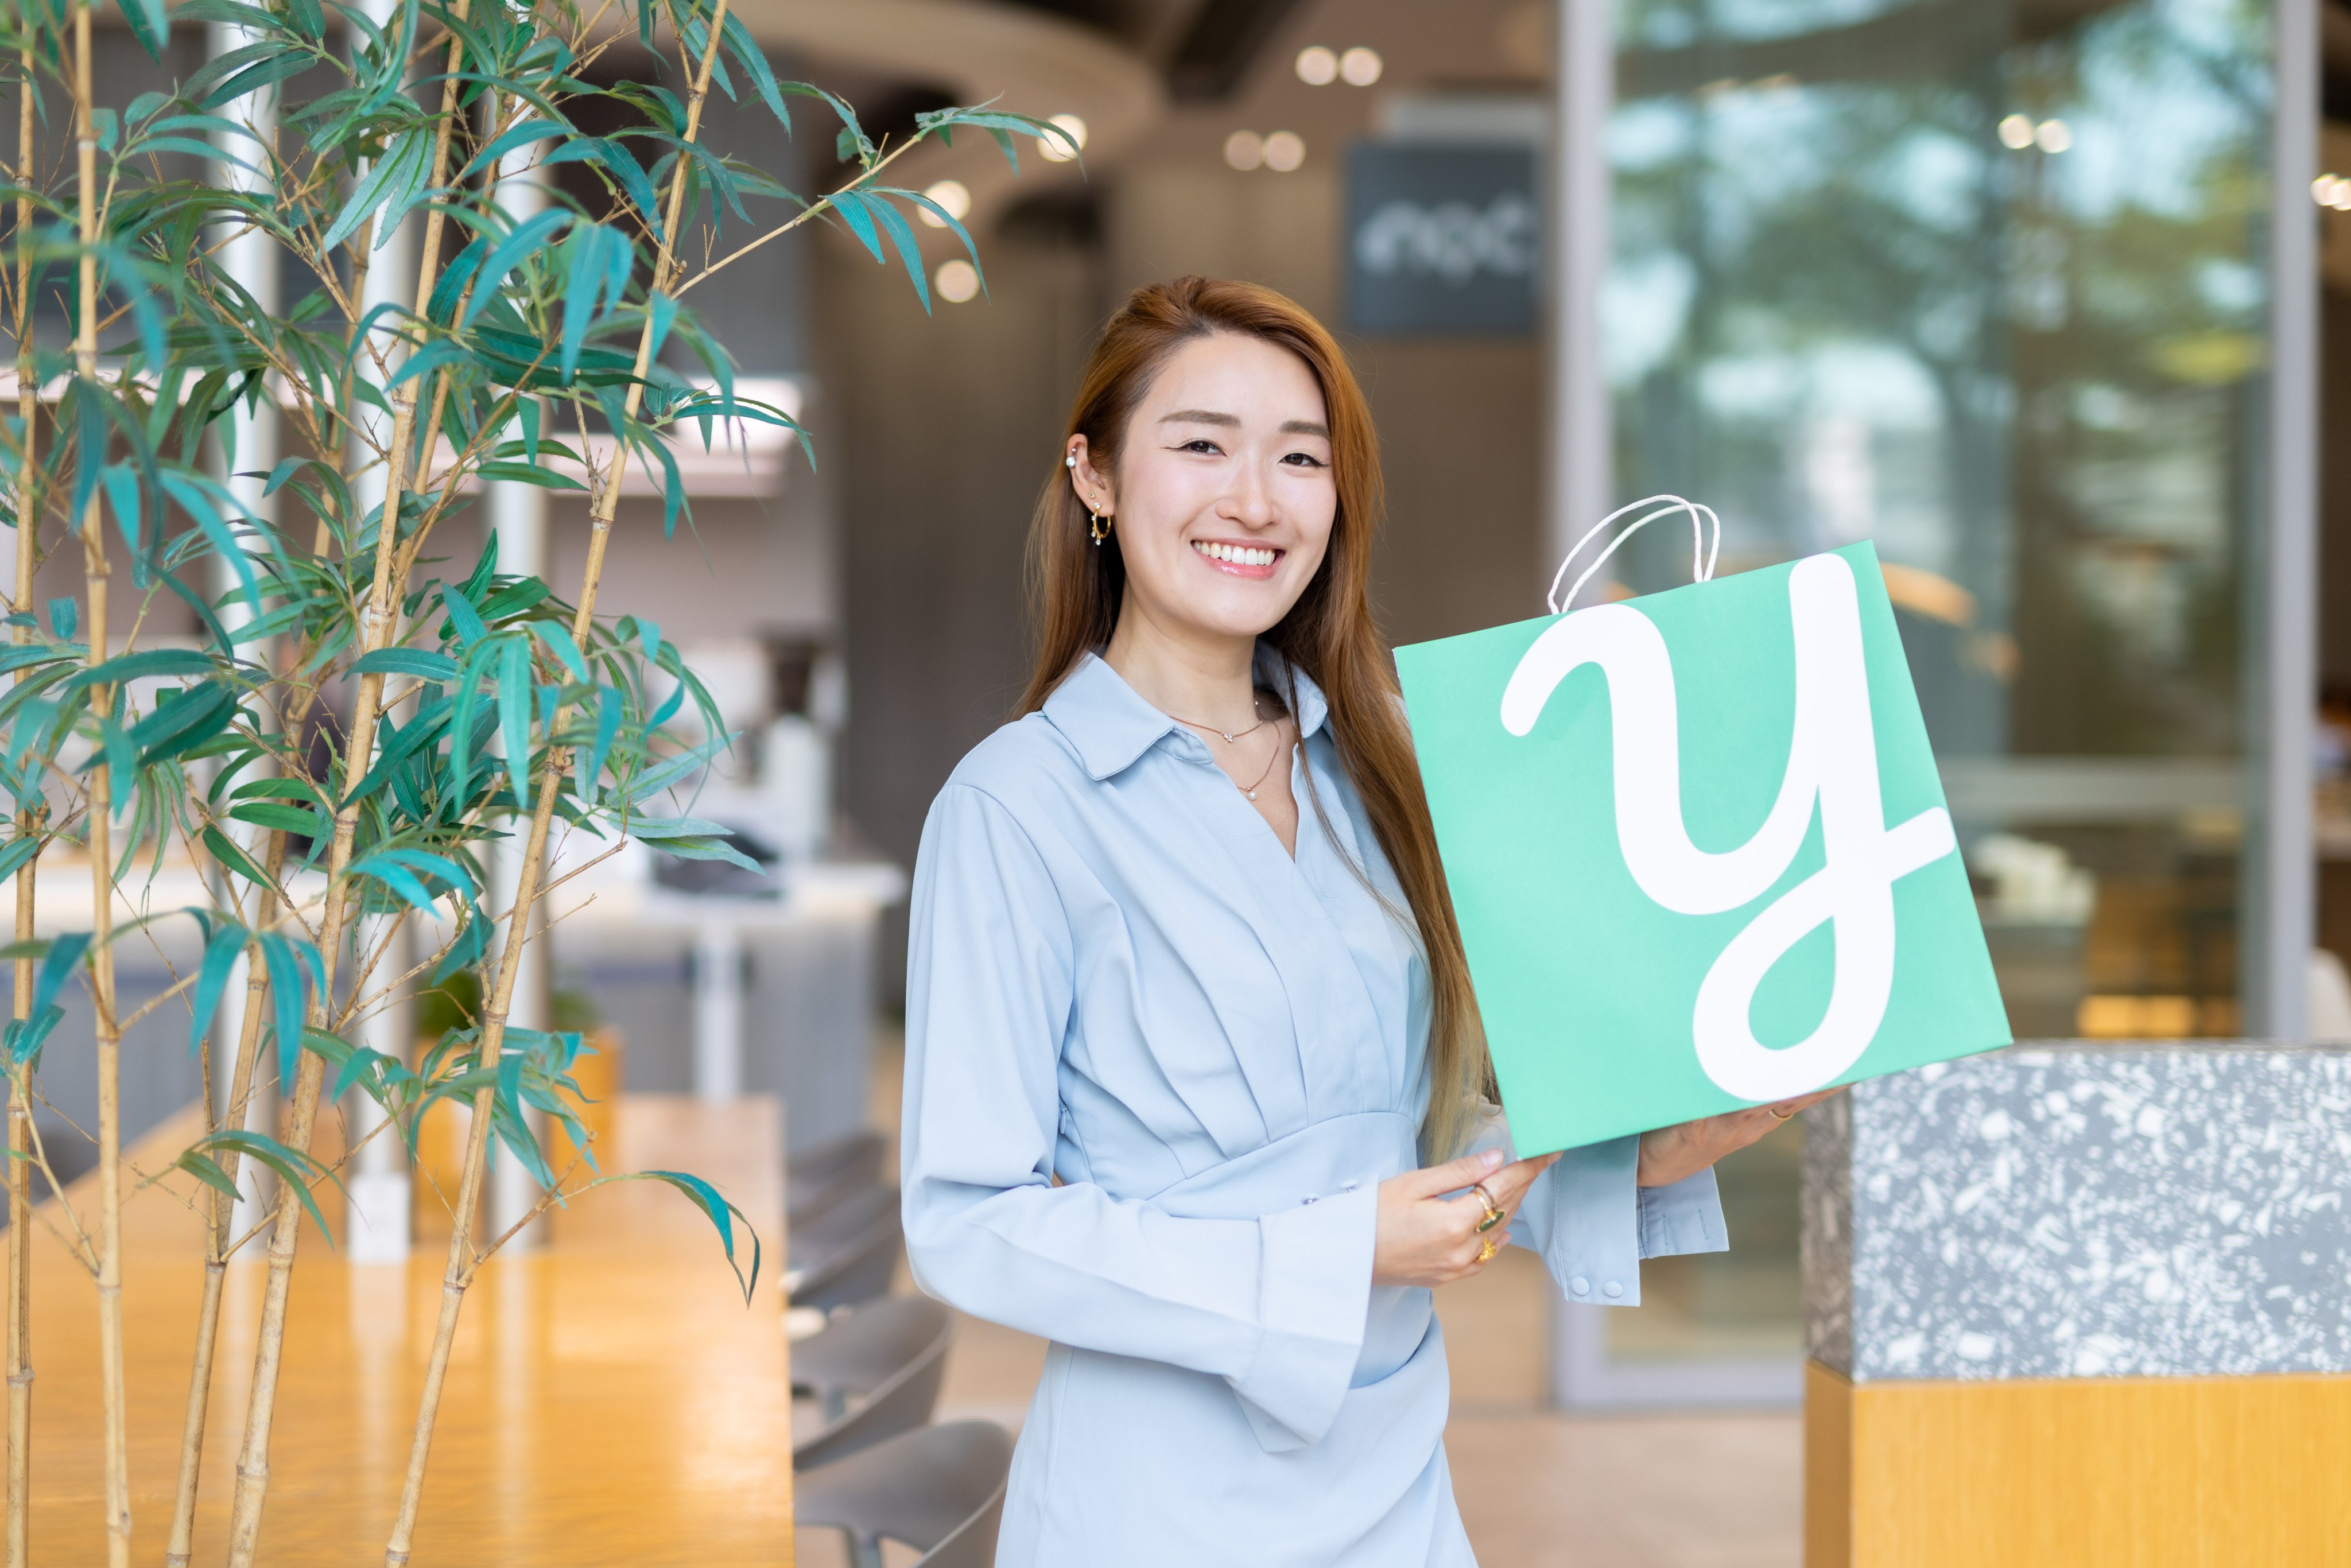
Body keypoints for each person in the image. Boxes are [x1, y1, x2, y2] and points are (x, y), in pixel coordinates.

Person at [899, 276, 1832, 1566]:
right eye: (1201, 445)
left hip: (1394, 1489)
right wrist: (1341, 1250)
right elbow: (971, 1222)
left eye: (1300, 457)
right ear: (1095, 477)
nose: (1255, 499)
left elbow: (1414, 1133)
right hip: (1156, 1505)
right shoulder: (1016, 805)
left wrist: (1657, 1141)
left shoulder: (1374, 766)